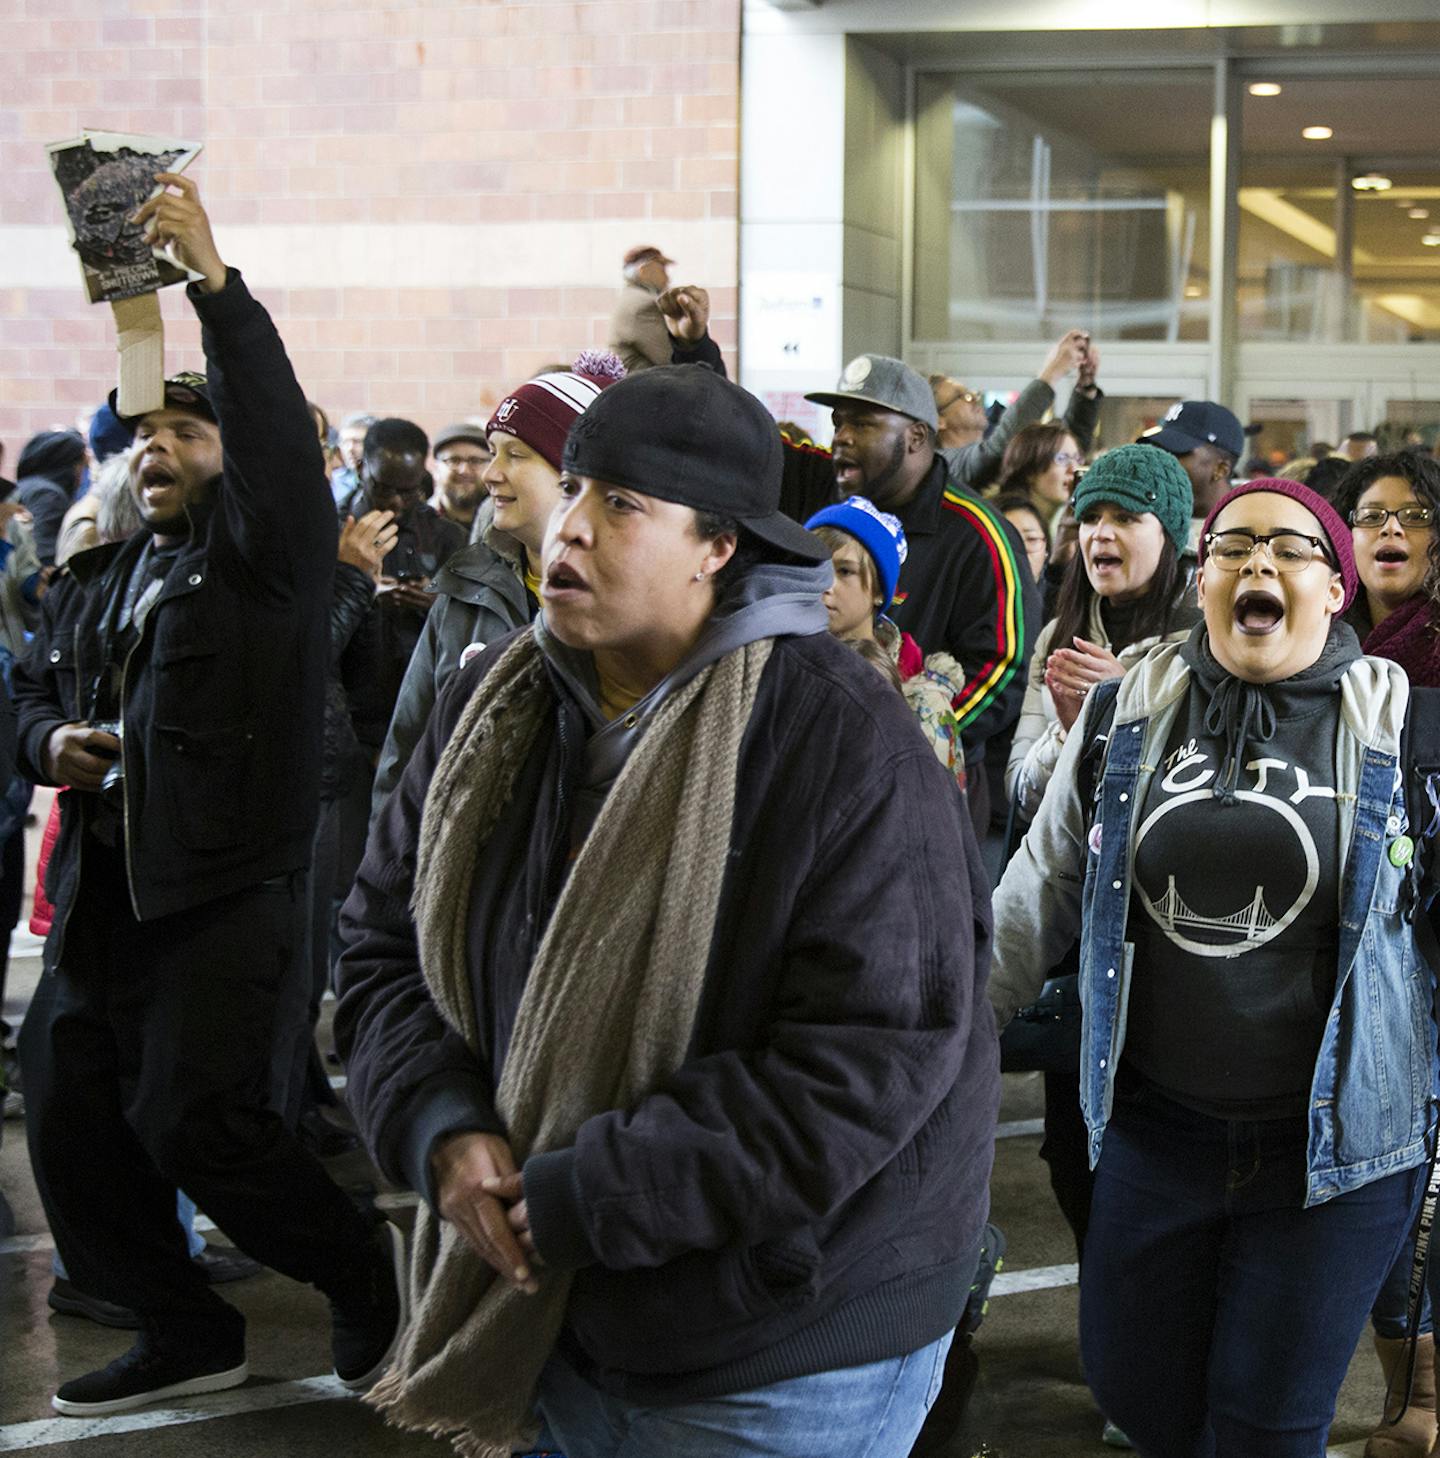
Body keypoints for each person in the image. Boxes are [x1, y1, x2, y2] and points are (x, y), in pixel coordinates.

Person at [337, 364, 999, 1458]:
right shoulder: (489, 706)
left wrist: (588, 1193)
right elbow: (378, 942)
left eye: (623, 505)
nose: (571, 530)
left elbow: (866, 1056)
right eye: (578, 487)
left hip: (789, 1328)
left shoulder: (841, 742)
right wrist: (439, 1127)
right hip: (551, 1301)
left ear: (719, 547)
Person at [12, 172, 404, 1417]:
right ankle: (181, 1323)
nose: (158, 449)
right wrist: (45, 745)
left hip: (227, 887)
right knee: (67, 1101)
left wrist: (216, 290)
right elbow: (21, 690)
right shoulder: (106, 570)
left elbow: (280, 436)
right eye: (146, 436)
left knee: (203, 1122)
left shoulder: (268, 563)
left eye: (188, 431)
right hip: (109, 884)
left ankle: (368, 1277)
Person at [990, 475, 1437, 1455]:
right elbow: (1038, 892)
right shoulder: (1127, 712)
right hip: (1160, 1133)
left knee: (1263, 1426)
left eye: (1291, 548)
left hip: (1334, 1158)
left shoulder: (1405, 731)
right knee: (1135, 1392)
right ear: (1202, 583)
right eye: (1232, 548)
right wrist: (943, 1039)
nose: (1258, 564)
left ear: (1336, 588)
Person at [371, 353, 624, 818]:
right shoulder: (465, 589)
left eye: (516, 455)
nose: (490, 473)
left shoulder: (628, 607)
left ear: (572, 474)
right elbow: (407, 753)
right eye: (493, 452)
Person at [803, 352, 1039, 836]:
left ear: (916, 437)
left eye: (863, 423)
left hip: (932, 792)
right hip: (825, 774)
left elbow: (1004, 667)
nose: (841, 436)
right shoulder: (830, 517)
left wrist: (910, 731)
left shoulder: (978, 533)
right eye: (838, 422)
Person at [1334, 451, 1440, 1456]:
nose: (1388, 531)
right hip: (1352, 951)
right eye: (1368, 515)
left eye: (1410, 515)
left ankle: (1421, 1400)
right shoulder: (1327, 646)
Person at [1007, 445, 1199, 823]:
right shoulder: (1058, 637)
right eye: (1090, 517)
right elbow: (1021, 795)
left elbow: (1198, 801)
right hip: (1067, 871)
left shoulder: (1207, 642)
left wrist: (1125, 707)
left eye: (1126, 518)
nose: (1101, 534)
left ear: (1169, 535)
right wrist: (1069, 733)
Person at [805, 494, 966, 791]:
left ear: (880, 590)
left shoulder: (921, 703)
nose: (825, 586)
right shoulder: (777, 662)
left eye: (845, 571)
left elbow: (939, 815)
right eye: (815, 566)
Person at [927, 329, 1102, 493]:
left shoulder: (988, 450)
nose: (974, 399)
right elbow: (995, 453)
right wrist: (1052, 372)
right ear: (938, 420)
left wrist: (1085, 389)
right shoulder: (941, 465)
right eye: (962, 396)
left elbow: (1066, 448)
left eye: (971, 393)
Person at [1137, 399, 1245, 531]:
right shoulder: (1149, 522)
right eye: (1160, 451)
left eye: (1176, 453)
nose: (1163, 461)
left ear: (1221, 469)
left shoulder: (1251, 528)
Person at [992, 422, 1086, 531]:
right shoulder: (1008, 522)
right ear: (1030, 470)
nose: (1074, 469)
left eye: (1077, 459)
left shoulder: (1067, 520)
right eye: (1062, 459)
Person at [14, 429, 87, 566]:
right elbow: (46, 557)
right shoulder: (47, 495)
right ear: (69, 466)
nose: (82, 474)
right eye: (82, 465)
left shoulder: (27, 487)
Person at [606, 244, 674, 373]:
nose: (667, 278)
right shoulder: (644, 304)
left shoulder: (632, 297)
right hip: (643, 387)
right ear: (644, 270)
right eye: (662, 269)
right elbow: (670, 358)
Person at [430, 423, 492, 535]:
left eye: (476, 461)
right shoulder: (419, 525)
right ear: (436, 468)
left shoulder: (507, 527)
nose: (464, 470)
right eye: (454, 460)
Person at [994, 491, 1050, 585]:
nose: (1022, 549)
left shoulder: (1062, 598)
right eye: (1009, 539)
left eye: (1031, 539)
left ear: (1046, 552)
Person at [331, 411, 375, 505]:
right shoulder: (333, 481)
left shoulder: (384, 482)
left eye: (358, 442)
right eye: (345, 442)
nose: (350, 449)